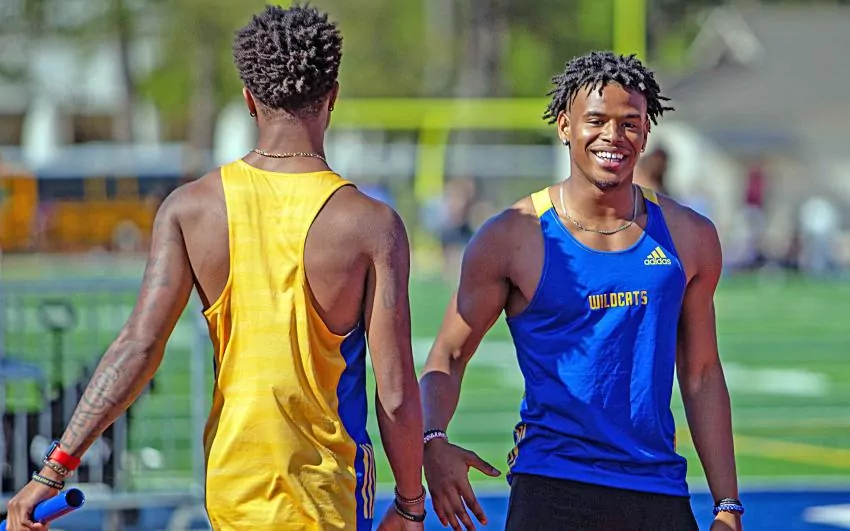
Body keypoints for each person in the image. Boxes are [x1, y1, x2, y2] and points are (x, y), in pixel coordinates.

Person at [5, 5, 426, 530]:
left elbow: (137, 347)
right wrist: (410, 506)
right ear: (333, 95)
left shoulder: (191, 209)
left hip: (231, 494)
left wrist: (52, 471)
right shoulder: (372, 224)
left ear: (248, 99)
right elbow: (396, 393)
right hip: (328, 501)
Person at [419, 51, 742, 531]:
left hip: (656, 487)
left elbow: (701, 375)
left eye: (629, 123)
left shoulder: (690, 235)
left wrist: (727, 505)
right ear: (565, 126)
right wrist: (432, 440)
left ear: (646, 133)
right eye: (596, 120)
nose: (613, 136)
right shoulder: (512, 236)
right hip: (551, 486)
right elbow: (448, 356)